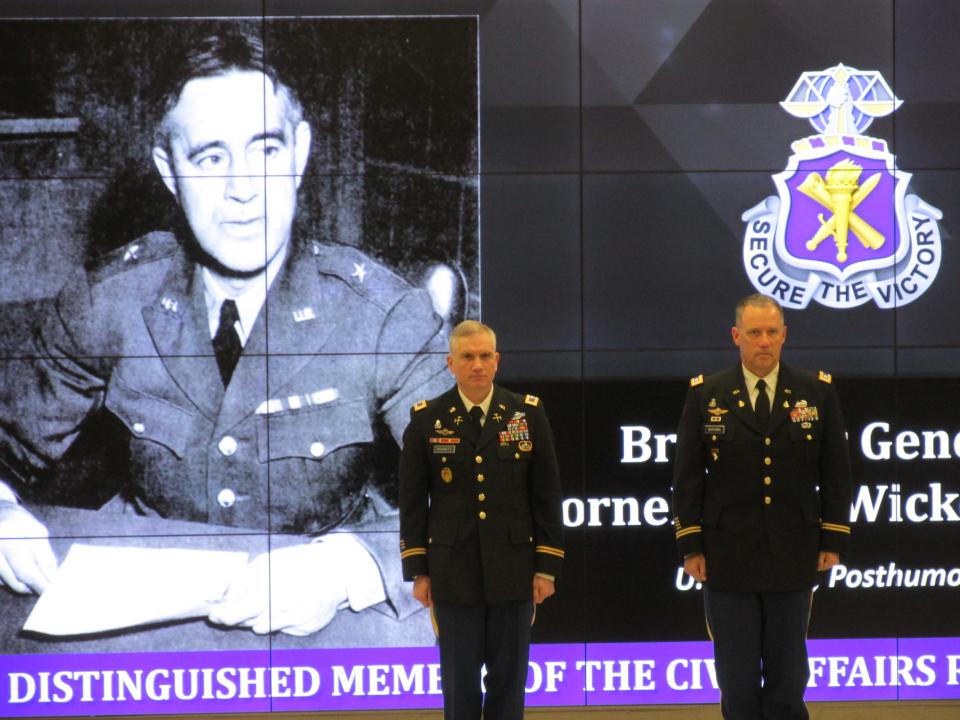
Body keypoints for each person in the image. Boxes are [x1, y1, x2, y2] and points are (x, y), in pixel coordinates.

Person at [0, 30, 450, 638]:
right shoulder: (110, 299)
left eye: (265, 150)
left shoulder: (379, 315)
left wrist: (349, 567)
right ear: (169, 170)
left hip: (322, 617)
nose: (244, 191)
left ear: (301, 151)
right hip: (138, 607)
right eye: (210, 158)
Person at [671, 293, 852, 719]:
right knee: (736, 677)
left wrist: (833, 538)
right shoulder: (707, 394)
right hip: (726, 555)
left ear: (785, 335)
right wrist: (691, 545)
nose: (764, 342)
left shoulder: (816, 392)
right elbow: (687, 477)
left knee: (789, 674)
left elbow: (836, 474)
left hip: (793, 550)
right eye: (754, 333)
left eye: (772, 332)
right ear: (737, 336)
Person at [398, 320, 564, 720]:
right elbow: (412, 502)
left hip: (514, 570)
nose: (477, 365)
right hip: (453, 574)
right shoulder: (427, 420)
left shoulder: (526, 414)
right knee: (460, 686)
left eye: (485, 356)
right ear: (450, 363)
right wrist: (418, 571)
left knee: (509, 683)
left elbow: (546, 495)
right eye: (468, 357)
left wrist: (547, 567)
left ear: (498, 361)